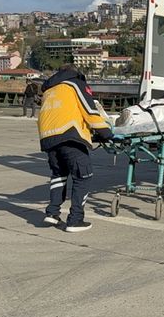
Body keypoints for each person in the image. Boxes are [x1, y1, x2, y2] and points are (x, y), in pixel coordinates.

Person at [37, 64, 113, 232]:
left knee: (59, 175)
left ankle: (52, 213)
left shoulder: (49, 90)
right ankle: (75, 220)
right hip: (69, 134)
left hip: (48, 138)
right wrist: (106, 132)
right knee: (83, 176)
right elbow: (89, 110)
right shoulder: (75, 84)